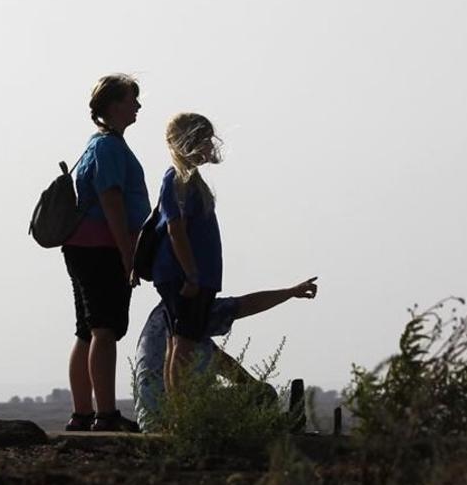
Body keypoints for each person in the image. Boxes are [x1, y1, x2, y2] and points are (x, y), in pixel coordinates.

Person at [62, 75, 152, 432]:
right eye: (133, 99)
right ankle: (105, 414)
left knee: (87, 330)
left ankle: (83, 412)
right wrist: (128, 254)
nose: (138, 107)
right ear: (115, 105)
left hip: (84, 246)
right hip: (102, 247)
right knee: (104, 329)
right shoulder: (109, 148)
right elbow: (111, 201)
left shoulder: (97, 145)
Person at [132, 278, 319, 432]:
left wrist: (251, 387)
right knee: (263, 394)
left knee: (257, 394)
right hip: (175, 419)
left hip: (149, 421)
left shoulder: (168, 319)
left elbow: (222, 362)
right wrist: (290, 292)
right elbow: (247, 304)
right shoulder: (191, 309)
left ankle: (273, 424)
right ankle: (276, 427)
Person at [151, 112, 225, 395]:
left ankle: (179, 412)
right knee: (183, 343)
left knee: (180, 341)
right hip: (184, 276)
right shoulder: (176, 179)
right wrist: (191, 274)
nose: (209, 146)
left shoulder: (192, 180)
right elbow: (175, 229)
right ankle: (181, 415)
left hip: (195, 275)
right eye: (205, 140)